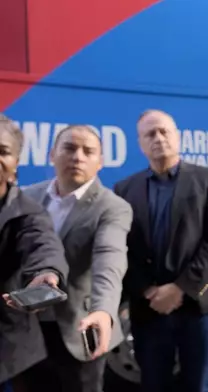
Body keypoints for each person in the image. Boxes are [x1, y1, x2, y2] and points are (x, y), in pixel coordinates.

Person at [114, 110, 208, 392]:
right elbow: (121, 247)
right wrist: (145, 290)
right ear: (140, 144)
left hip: (199, 304)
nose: (158, 138)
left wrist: (178, 289)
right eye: (150, 134)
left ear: (177, 137)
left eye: (165, 131)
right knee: (153, 384)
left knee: (198, 385)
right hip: (148, 306)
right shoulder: (124, 189)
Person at [16, 125, 133, 392]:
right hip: (27, 331)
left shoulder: (113, 207)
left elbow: (110, 260)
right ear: (51, 154)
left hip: (81, 329)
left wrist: (103, 311)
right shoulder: (27, 197)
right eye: (69, 148)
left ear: (100, 162)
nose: (78, 156)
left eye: (88, 151)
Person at [0, 115, 69, 388]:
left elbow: (42, 244)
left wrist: (45, 274)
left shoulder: (27, 211)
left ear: (15, 163)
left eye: (3, 151)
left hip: (7, 351)